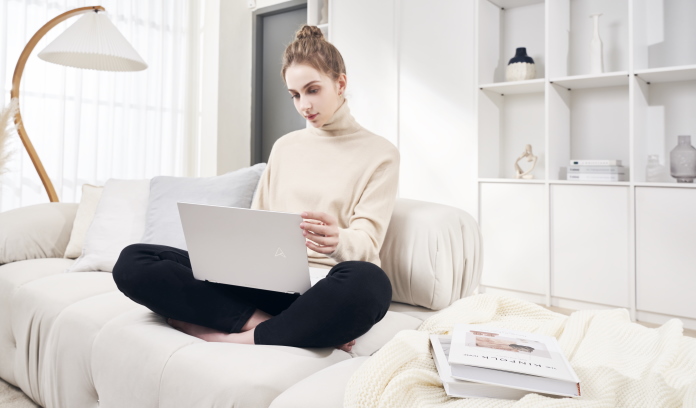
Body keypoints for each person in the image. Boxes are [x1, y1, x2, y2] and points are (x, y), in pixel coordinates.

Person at [112, 25, 400, 353]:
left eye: (313, 90)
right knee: (135, 260)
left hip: (323, 288)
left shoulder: (380, 153)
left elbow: (368, 243)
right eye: (295, 95)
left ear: (340, 83)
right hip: (265, 282)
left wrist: (339, 240)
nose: (304, 104)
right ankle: (266, 326)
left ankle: (230, 334)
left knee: (370, 284)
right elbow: (258, 220)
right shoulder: (285, 146)